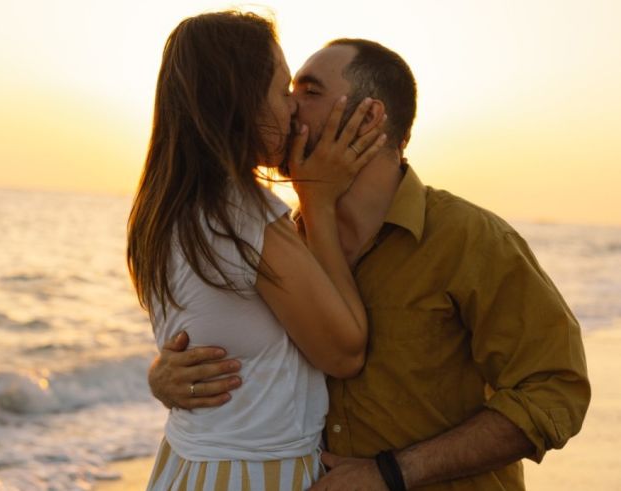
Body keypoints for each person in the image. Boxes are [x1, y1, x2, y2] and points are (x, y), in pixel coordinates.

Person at [148, 39, 590, 491]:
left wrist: (394, 472)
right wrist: (164, 376)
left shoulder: (469, 239)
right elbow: (245, 349)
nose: (288, 106)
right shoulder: (281, 239)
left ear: (369, 118)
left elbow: (556, 390)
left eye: (310, 92)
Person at [127, 12, 390, 491]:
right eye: (281, 89)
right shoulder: (243, 217)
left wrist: (157, 375)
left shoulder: (165, 207)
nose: (292, 107)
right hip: (251, 476)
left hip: (187, 465)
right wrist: (318, 202)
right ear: (241, 101)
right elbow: (346, 351)